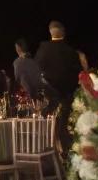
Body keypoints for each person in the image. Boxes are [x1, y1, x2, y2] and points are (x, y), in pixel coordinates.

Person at [35, 21, 85, 155]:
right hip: (67, 98)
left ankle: (44, 151)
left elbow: (37, 72)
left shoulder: (42, 50)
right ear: (63, 32)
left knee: (47, 128)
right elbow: (79, 75)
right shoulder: (71, 52)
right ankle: (66, 154)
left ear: (50, 32)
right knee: (64, 129)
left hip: (49, 100)